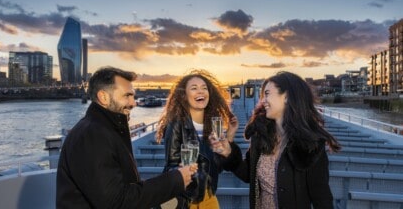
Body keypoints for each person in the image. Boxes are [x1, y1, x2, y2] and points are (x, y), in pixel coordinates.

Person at [56, 67, 197, 209]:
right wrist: (175, 180)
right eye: (127, 96)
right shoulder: (93, 135)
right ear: (103, 97)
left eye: (133, 96)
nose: (134, 103)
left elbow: (119, 190)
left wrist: (175, 179)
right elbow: (116, 202)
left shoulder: (102, 129)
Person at [216, 71, 341, 209]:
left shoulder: (309, 145)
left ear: (286, 96)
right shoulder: (261, 136)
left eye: (267, 94)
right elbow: (248, 174)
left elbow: (321, 199)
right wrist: (229, 152)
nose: (263, 101)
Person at [155, 69, 242, 209]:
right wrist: (182, 168)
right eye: (194, 88)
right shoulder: (176, 124)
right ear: (184, 96)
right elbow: (171, 165)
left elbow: (217, 168)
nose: (200, 91)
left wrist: (230, 136)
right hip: (186, 198)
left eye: (204, 88)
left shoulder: (212, 127)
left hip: (208, 195)